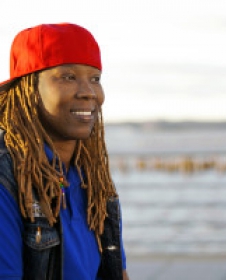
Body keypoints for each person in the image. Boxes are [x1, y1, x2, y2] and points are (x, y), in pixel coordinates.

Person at [0, 23, 129, 280]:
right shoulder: (8, 180)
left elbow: (118, 272)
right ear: (28, 90)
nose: (89, 92)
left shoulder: (91, 177)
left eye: (95, 79)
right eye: (68, 77)